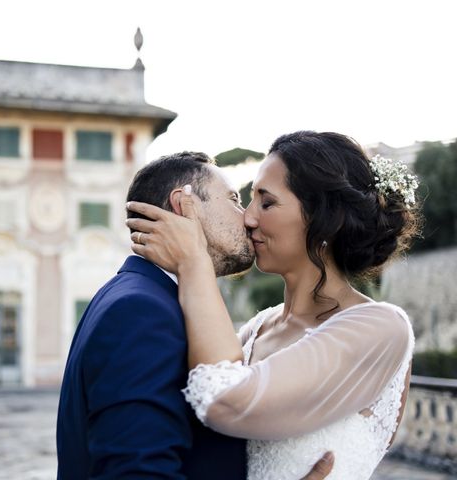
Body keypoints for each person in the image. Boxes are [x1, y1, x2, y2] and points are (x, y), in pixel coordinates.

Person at [126, 131, 420, 480]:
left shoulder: (380, 328)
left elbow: (222, 398)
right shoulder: (257, 328)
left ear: (325, 217)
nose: (248, 218)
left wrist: (194, 263)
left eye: (266, 203)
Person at [56, 151, 334, 479]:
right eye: (233, 200)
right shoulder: (141, 311)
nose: (247, 218)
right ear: (182, 205)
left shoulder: (149, 298)